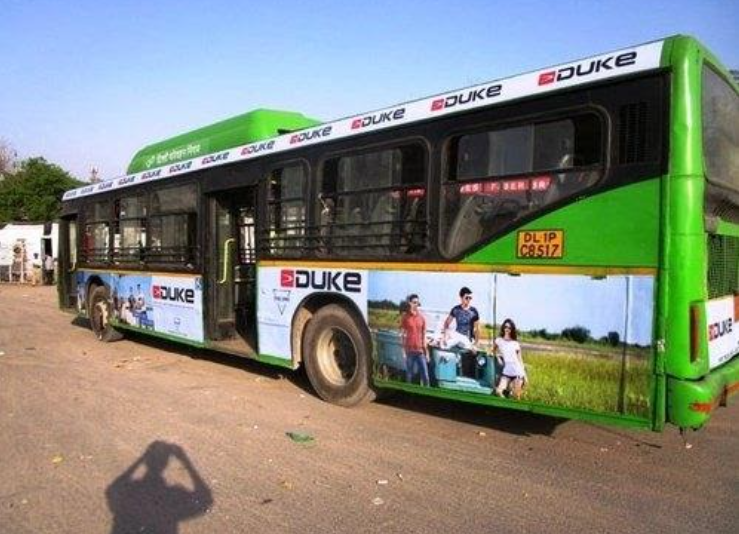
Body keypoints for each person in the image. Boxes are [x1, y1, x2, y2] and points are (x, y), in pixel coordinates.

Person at [442, 287, 480, 376]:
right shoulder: (456, 309)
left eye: (470, 298)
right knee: (447, 342)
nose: (469, 300)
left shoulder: (474, 311)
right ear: (461, 297)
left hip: (468, 339)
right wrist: (445, 336)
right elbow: (447, 323)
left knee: (468, 354)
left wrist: (476, 343)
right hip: (457, 336)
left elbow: (477, 329)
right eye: (467, 298)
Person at [399, 294, 429, 386]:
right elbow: (402, 335)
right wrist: (403, 351)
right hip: (409, 351)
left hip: (420, 351)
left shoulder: (422, 318)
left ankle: (426, 391)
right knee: (409, 375)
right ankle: (408, 392)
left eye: (417, 303)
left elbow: (424, 336)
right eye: (414, 302)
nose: (416, 304)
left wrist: (427, 353)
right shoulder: (405, 318)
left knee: (425, 376)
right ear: (410, 303)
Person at [493, 319, 527, 399]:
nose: (507, 329)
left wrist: (525, 375)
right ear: (503, 327)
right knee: (498, 392)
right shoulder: (498, 340)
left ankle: (512, 396)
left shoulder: (515, 343)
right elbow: (492, 351)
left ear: (512, 329)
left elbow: (520, 360)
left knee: (516, 396)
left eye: (509, 327)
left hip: (517, 371)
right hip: (507, 370)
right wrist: (498, 357)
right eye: (505, 327)